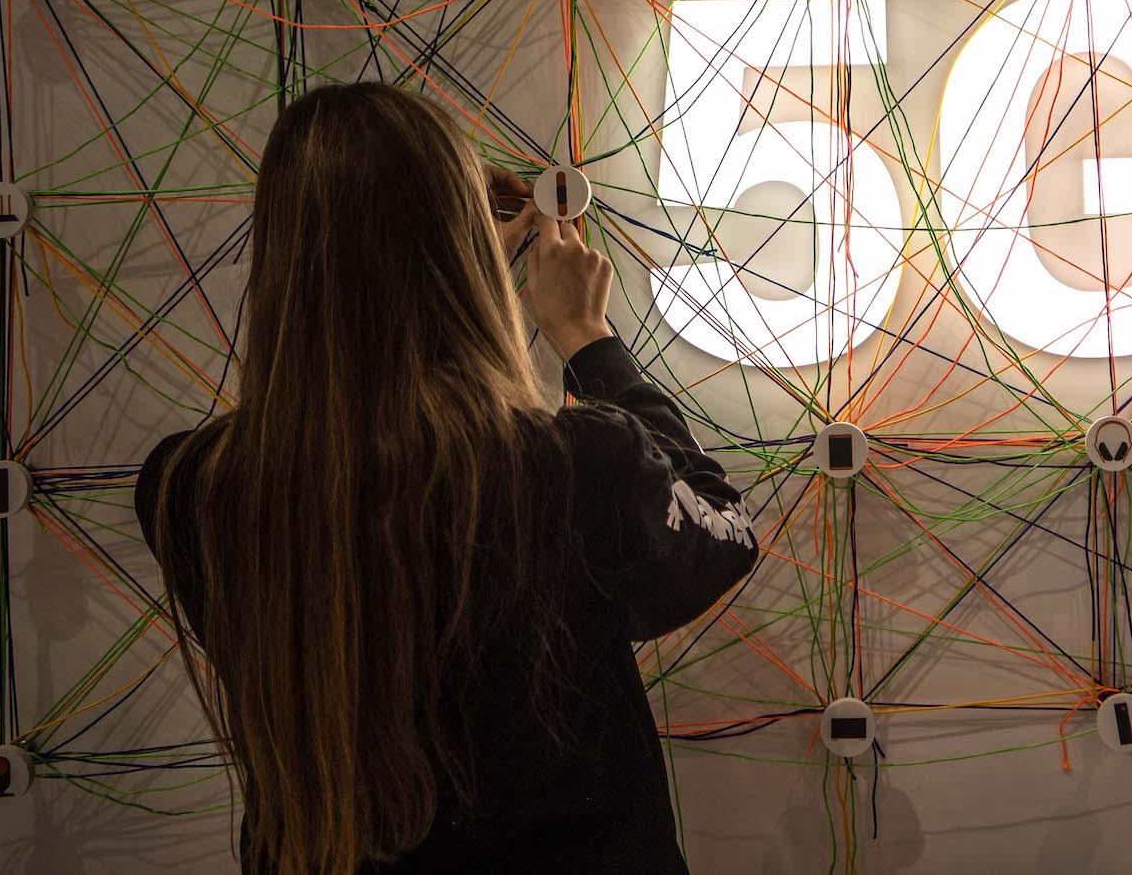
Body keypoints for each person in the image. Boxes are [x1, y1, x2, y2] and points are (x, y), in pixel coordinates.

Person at [136, 83, 758, 874]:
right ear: (458, 254)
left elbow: (342, 450)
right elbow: (725, 529)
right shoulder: (568, 469)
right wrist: (588, 339)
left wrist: (434, 252)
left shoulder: (190, 489)